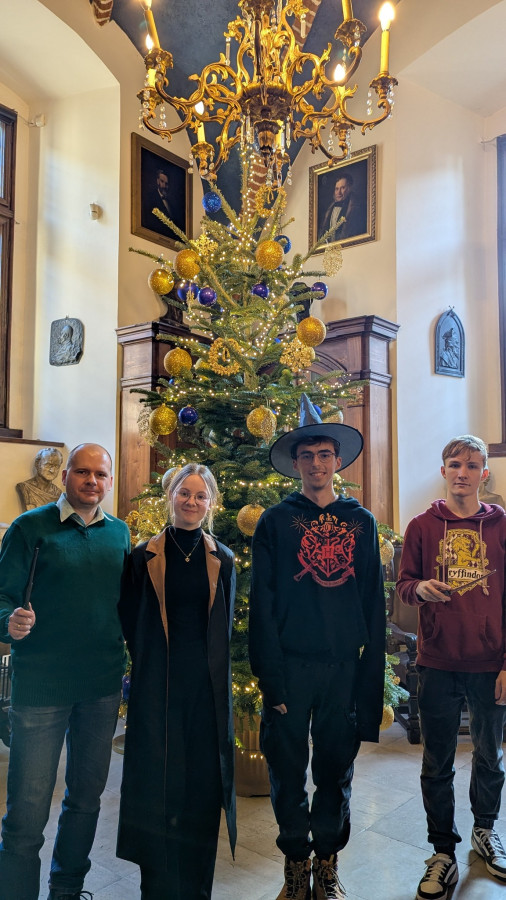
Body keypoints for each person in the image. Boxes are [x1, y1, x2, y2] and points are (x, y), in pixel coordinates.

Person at [249, 394, 385, 900]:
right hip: (290, 666)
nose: (316, 464)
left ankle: (326, 861)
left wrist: (369, 676)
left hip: (342, 668)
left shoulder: (361, 521)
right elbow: (263, 603)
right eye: (306, 456)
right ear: (295, 464)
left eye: (325, 454)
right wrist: (270, 678)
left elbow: (372, 602)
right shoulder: (274, 522)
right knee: (286, 771)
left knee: (334, 770)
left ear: (338, 460)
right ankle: (295, 863)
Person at [0, 443, 130, 900]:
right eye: (82, 472)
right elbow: (2, 597)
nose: (92, 481)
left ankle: (67, 889)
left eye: (100, 474)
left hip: (101, 686)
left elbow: (127, 605)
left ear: (109, 481)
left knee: (86, 799)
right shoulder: (29, 528)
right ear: (65, 476)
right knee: (27, 810)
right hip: (41, 688)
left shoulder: (120, 534)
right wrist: (9, 621)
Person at [117, 463, 237, 900]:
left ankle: (197, 889)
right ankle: (158, 888)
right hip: (158, 688)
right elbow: (130, 620)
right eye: (184, 493)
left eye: (200, 495)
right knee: (159, 787)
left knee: (202, 791)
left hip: (206, 693)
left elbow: (223, 628)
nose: (191, 501)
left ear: (211, 503)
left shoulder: (223, 558)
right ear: (170, 497)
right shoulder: (142, 556)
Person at [396, 434, 506, 900]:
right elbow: (403, 585)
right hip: (437, 661)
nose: (463, 472)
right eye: (455, 464)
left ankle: (486, 830)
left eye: (472, 465)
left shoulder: (501, 526)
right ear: (443, 471)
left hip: (490, 663)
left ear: (484, 474)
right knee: (436, 761)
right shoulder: (422, 526)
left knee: (489, 755)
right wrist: (419, 589)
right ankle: (442, 851)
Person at [319, 172, 367, 242]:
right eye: (337, 189)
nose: (339, 192)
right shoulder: (329, 209)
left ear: (349, 188)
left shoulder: (357, 208)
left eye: (343, 188)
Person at [16, 447, 63, 511]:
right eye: (48, 465)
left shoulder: (58, 493)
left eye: (56, 466)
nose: (52, 470)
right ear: (37, 464)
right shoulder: (26, 487)